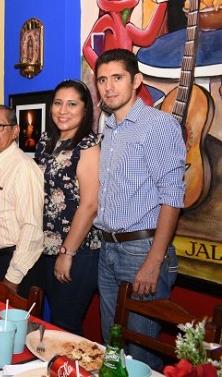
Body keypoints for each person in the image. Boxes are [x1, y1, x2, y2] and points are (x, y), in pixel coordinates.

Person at [93, 48, 185, 370]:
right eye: (102, 79)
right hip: (108, 249)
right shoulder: (109, 129)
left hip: (141, 250)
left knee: (141, 357)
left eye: (117, 78)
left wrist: (153, 261)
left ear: (137, 81)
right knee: (113, 348)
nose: (108, 87)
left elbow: (173, 197)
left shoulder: (157, 126)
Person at [35, 80, 101, 336]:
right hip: (45, 248)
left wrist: (67, 252)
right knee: (47, 326)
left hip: (78, 251)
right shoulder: (45, 142)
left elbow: (90, 204)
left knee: (66, 327)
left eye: (72, 104)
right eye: (58, 103)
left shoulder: (88, 145)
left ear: (85, 110)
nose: (63, 110)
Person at [0, 104, 44, 297]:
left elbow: (31, 229)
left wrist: (12, 278)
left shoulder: (23, 168)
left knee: (16, 327)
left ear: (15, 131)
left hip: (14, 266)